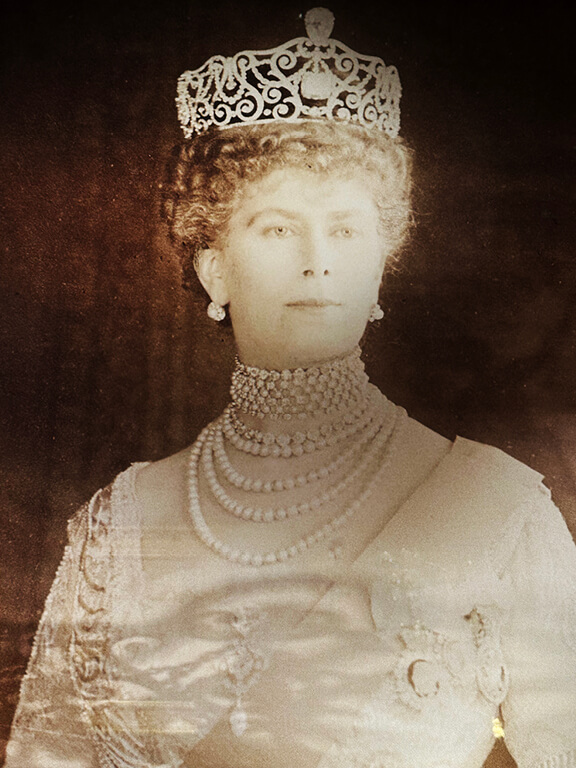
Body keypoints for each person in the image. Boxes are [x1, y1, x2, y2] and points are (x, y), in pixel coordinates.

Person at [5, 8, 576, 768]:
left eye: (345, 229)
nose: (318, 263)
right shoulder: (120, 524)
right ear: (214, 269)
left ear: (381, 266)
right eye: (277, 228)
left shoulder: (496, 509)